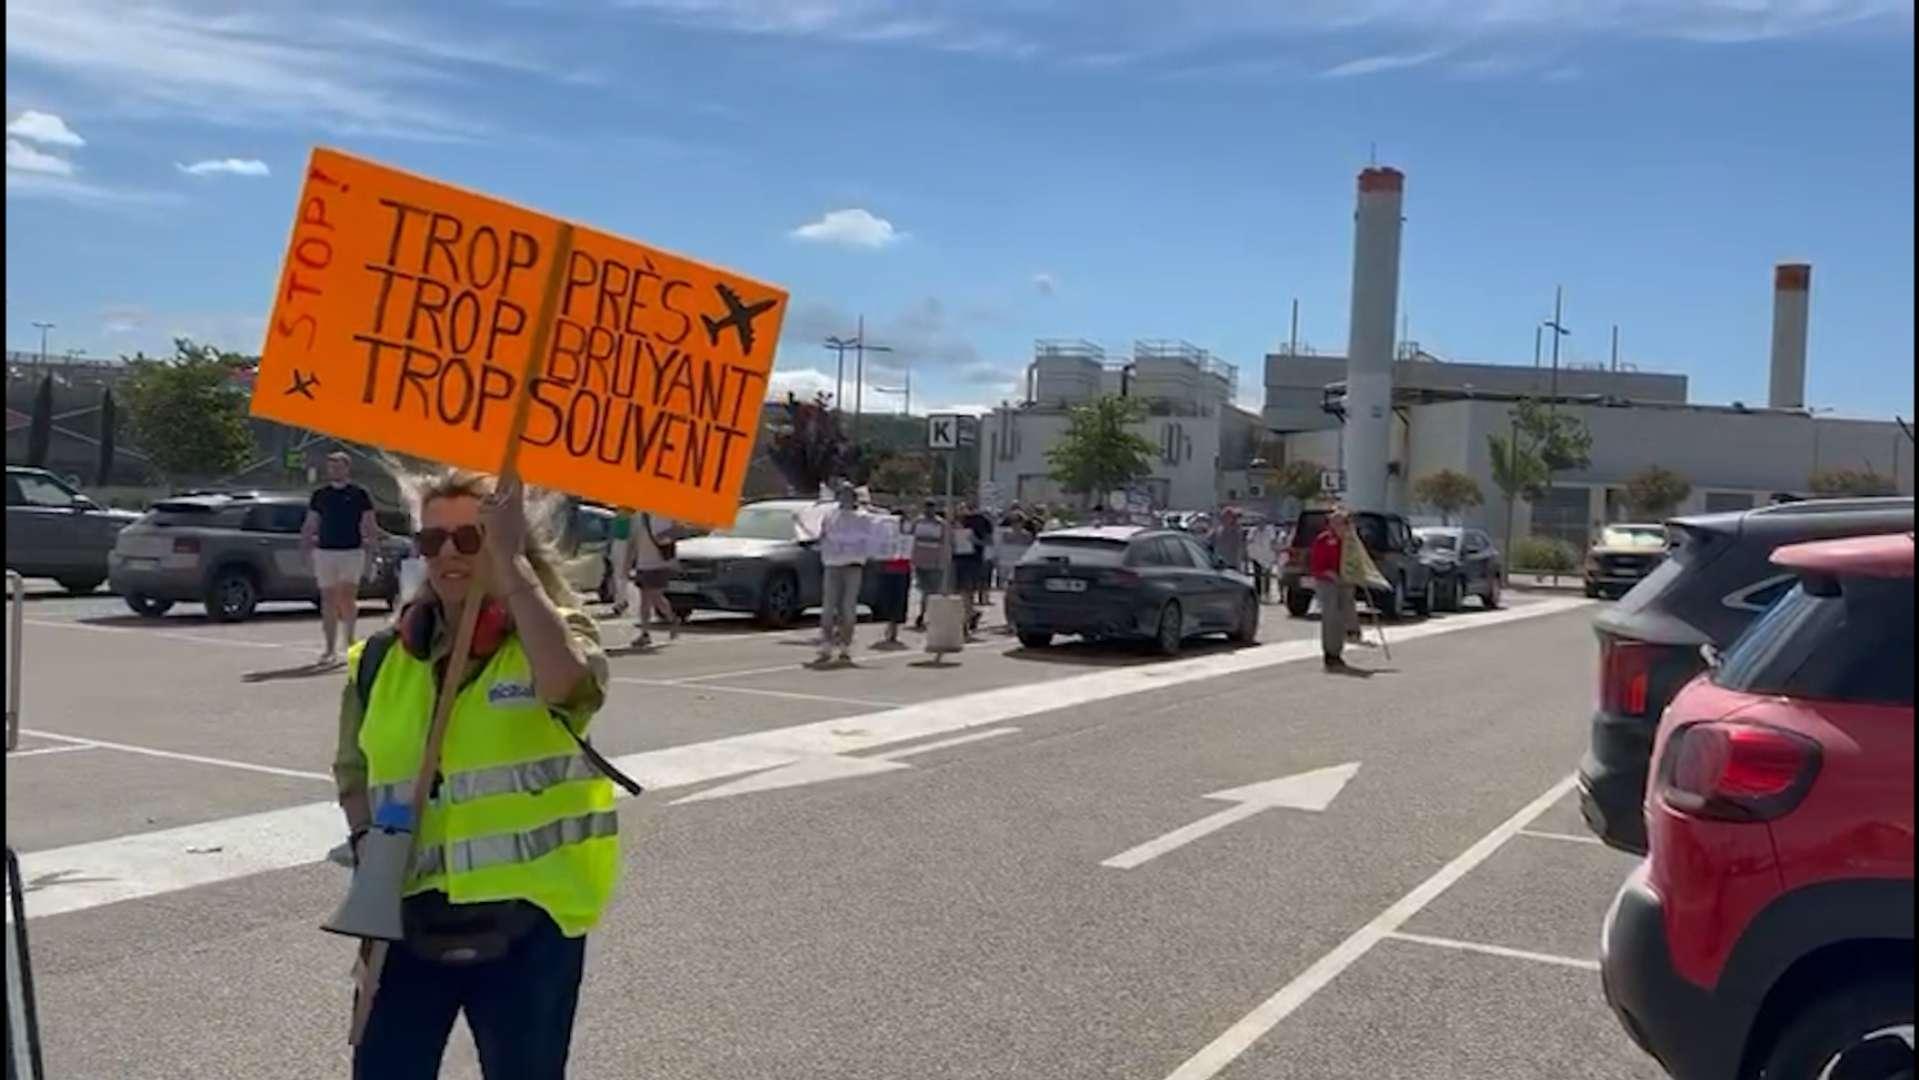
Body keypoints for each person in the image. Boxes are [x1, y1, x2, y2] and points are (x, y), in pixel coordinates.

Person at [332, 470, 614, 1079]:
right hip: (405, 921)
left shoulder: (557, 634)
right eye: (432, 542)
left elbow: (568, 684)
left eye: (471, 539)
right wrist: (367, 849)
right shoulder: (381, 658)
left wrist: (511, 568)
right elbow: (352, 772)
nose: (449, 556)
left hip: (528, 929)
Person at [304, 451, 378, 666]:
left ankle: (350, 641)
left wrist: (373, 552)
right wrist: (305, 545)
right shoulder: (320, 495)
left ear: (347, 468)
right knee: (328, 599)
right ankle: (329, 648)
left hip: (352, 551)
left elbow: (369, 525)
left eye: (338, 466)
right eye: (331, 466)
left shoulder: (359, 494)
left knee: (347, 597)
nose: (334, 470)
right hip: (325, 551)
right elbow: (311, 523)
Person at [816, 481, 876, 664]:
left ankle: (845, 645)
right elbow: (822, 534)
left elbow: (873, 537)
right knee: (828, 607)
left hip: (853, 566)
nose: (845, 498)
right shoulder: (830, 515)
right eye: (842, 494)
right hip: (832, 565)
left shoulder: (863, 517)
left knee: (848, 609)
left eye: (849, 494)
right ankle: (826, 644)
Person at [1309, 507, 1361, 670]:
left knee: (1346, 610)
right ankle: (1331, 653)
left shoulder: (1350, 541)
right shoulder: (1323, 540)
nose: (1339, 526)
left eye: (1342, 523)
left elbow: (1356, 561)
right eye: (1335, 522)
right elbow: (1316, 565)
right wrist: (1329, 574)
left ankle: (1347, 638)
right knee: (1331, 615)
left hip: (1344, 580)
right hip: (1327, 581)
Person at [628, 511, 681, 648]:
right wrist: (629, 563)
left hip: (659, 563)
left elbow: (674, 531)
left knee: (655, 596)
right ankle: (645, 634)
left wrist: (663, 537)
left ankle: (672, 619)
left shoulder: (663, 514)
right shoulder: (638, 516)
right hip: (642, 563)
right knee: (645, 600)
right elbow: (633, 541)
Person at [870, 511, 913, 649]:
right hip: (888, 570)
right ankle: (890, 625)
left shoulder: (907, 534)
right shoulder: (886, 535)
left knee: (899, 602)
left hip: (903, 570)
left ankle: (894, 628)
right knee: (888, 601)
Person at [910, 500, 949, 631]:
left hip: (935, 562)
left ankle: (929, 615)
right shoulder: (918, 522)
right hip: (920, 562)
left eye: (932, 508)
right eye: (927, 508)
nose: (929, 511)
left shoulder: (941, 524)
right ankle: (923, 614)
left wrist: (943, 560)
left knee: (933, 591)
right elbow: (911, 538)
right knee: (924, 591)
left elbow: (946, 543)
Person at [606, 508, 633, 617]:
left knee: (620, 575)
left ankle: (620, 602)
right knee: (618, 575)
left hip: (624, 544)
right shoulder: (619, 516)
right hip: (619, 544)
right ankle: (621, 601)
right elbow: (612, 534)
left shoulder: (631, 517)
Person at [1213, 506, 1247, 573]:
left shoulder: (1236, 531)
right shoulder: (1218, 530)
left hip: (1232, 564)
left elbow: (1239, 549)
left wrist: (1239, 566)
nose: (1225, 519)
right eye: (1223, 517)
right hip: (1220, 564)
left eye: (1227, 517)